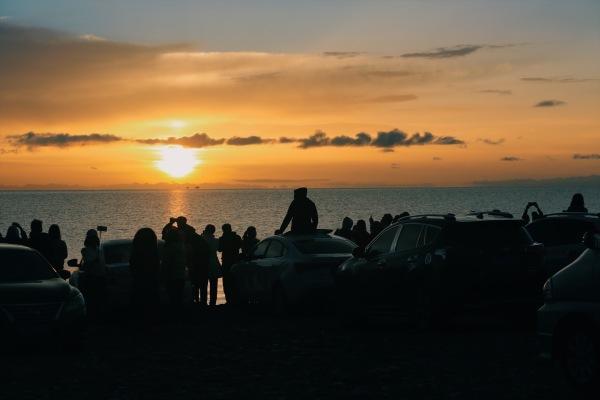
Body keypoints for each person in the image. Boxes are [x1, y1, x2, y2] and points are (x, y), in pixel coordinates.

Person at [129, 228, 161, 316]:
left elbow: (132, 265)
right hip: (151, 283)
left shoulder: (136, 254)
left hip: (139, 283)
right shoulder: (153, 254)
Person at [79, 229, 107, 317]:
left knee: (90, 299)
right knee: (98, 300)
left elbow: (85, 266)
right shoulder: (100, 251)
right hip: (100, 278)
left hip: (91, 278)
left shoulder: (85, 251)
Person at [161, 226, 186, 307]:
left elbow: (166, 263)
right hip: (181, 275)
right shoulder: (181, 246)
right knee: (179, 297)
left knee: (172, 297)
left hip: (171, 276)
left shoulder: (169, 248)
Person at [218, 224, 242, 304]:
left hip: (226, 262)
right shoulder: (237, 237)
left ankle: (228, 300)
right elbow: (240, 246)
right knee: (235, 281)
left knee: (227, 282)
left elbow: (219, 249)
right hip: (235, 261)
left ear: (223, 230)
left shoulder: (222, 239)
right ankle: (236, 299)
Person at [188, 230, 210, 305]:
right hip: (203, 267)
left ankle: (196, 301)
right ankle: (203, 302)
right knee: (203, 286)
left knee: (195, 285)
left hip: (196, 267)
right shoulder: (203, 243)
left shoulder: (192, 244)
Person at [201, 224, 220, 306]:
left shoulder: (202, 239)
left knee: (203, 285)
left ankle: (203, 301)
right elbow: (219, 249)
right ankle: (213, 302)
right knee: (214, 285)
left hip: (204, 263)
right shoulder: (216, 240)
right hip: (214, 263)